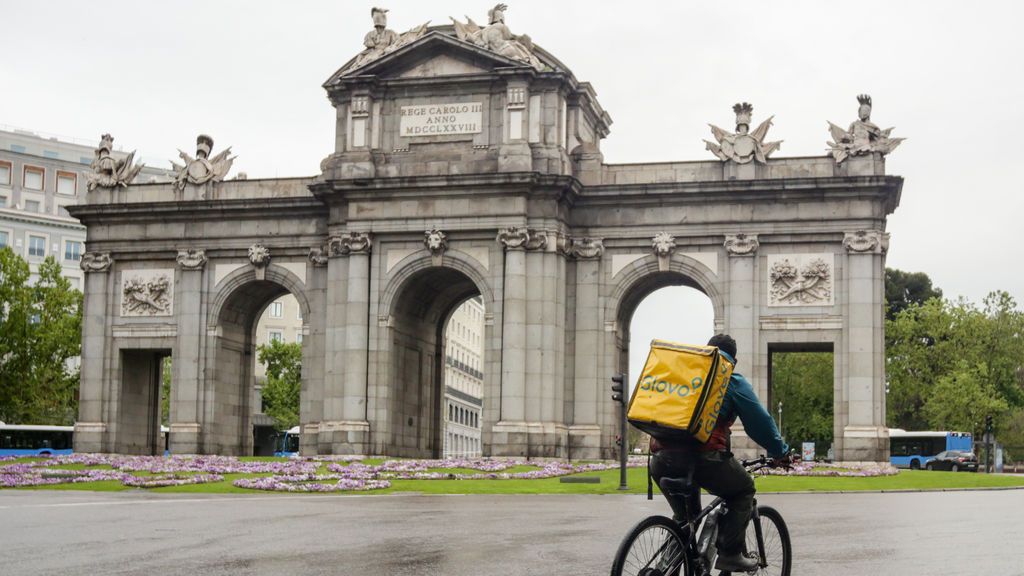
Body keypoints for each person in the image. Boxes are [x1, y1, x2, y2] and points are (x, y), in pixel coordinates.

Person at [649, 333, 790, 573]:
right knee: (743, 489)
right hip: (702, 458)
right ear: (733, 359)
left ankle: (662, 568)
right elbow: (759, 422)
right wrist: (780, 452)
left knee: (686, 518)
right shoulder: (729, 378)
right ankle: (730, 554)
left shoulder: (685, 372)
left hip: (661, 458)